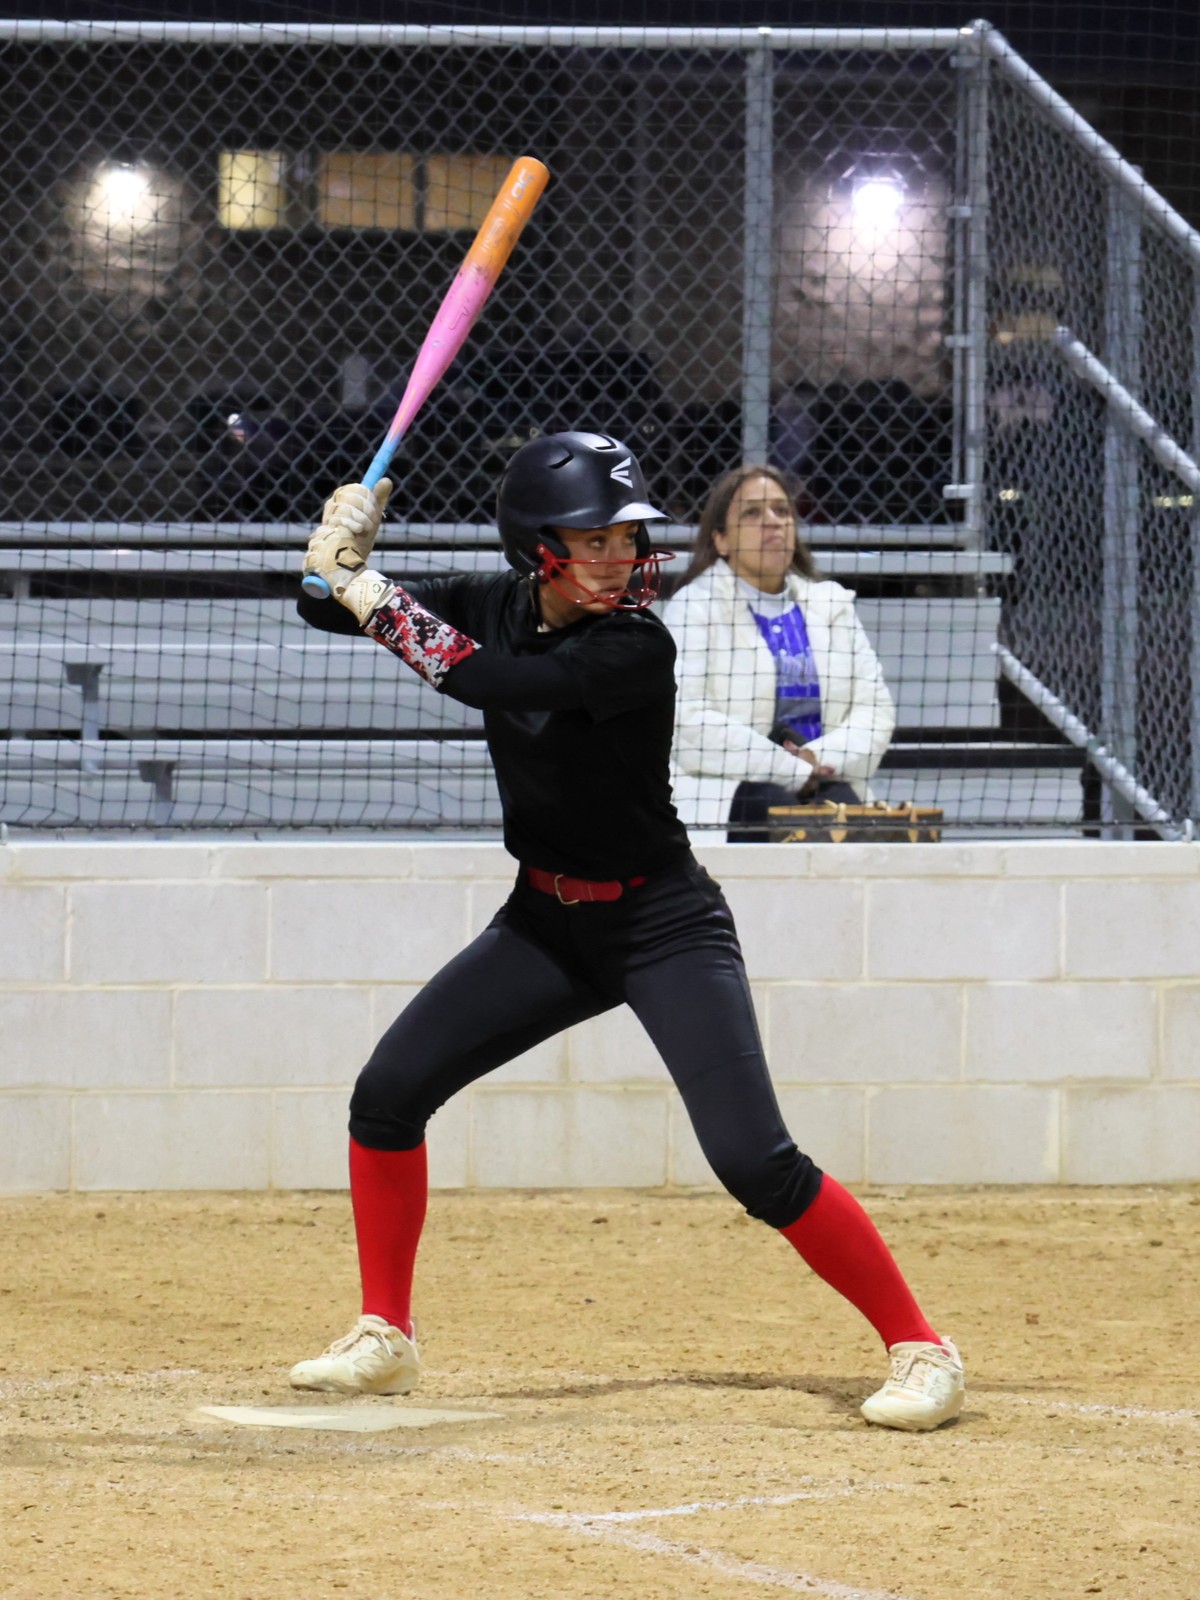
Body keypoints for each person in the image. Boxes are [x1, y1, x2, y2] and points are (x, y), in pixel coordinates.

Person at [288, 430, 963, 1431]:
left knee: (754, 1159)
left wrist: (369, 590)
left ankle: (924, 1347)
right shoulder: (494, 602)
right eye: (592, 540)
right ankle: (386, 1332)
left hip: (660, 919)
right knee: (387, 1096)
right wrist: (334, 545)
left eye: (626, 539)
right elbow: (322, 604)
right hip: (544, 920)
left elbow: (482, 681)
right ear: (536, 548)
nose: (619, 559)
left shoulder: (635, 645)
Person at [662, 464, 895, 840]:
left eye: (782, 511)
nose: (772, 522)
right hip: (729, 791)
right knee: (777, 810)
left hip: (824, 779)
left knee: (854, 823)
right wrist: (792, 770)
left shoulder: (832, 605)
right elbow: (685, 723)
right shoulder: (694, 608)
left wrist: (817, 760)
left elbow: (875, 713)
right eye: (752, 512)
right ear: (721, 539)